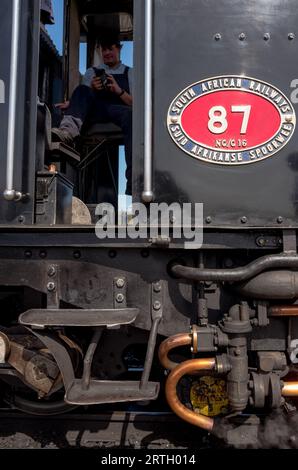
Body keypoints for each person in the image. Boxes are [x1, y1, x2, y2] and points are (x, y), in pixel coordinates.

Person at [52, 37, 133, 195]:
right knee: (81, 90)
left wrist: (118, 90)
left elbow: (134, 104)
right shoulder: (91, 72)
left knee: (132, 116)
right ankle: (67, 133)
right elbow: (83, 96)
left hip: (119, 111)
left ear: (119, 49)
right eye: (104, 50)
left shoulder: (131, 73)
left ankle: (133, 180)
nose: (107, 53)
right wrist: (91, 89)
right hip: (96, 111)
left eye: (110, 49)